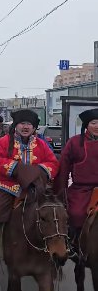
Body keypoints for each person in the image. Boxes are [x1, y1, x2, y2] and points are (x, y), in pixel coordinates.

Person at [0, 109, 59, 269]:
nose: (25, 127)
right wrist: (16, 169)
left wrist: (39, 171)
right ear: (16, 125)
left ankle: (59, 245)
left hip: (35, 187)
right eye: (22, 123)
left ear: (34, 127)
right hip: (9, 186)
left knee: (56, 212)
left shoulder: (41, 144)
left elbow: (53, 162)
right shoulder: (4, 141)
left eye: (29, 124)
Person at [54, 108, 98, 254]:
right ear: (86, 125)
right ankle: (74, 244)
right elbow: (64, 169)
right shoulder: (74, 142)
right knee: (76, 214)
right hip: (82, 189)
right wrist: (61, 192)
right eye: (94, 122)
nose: (97, 126)